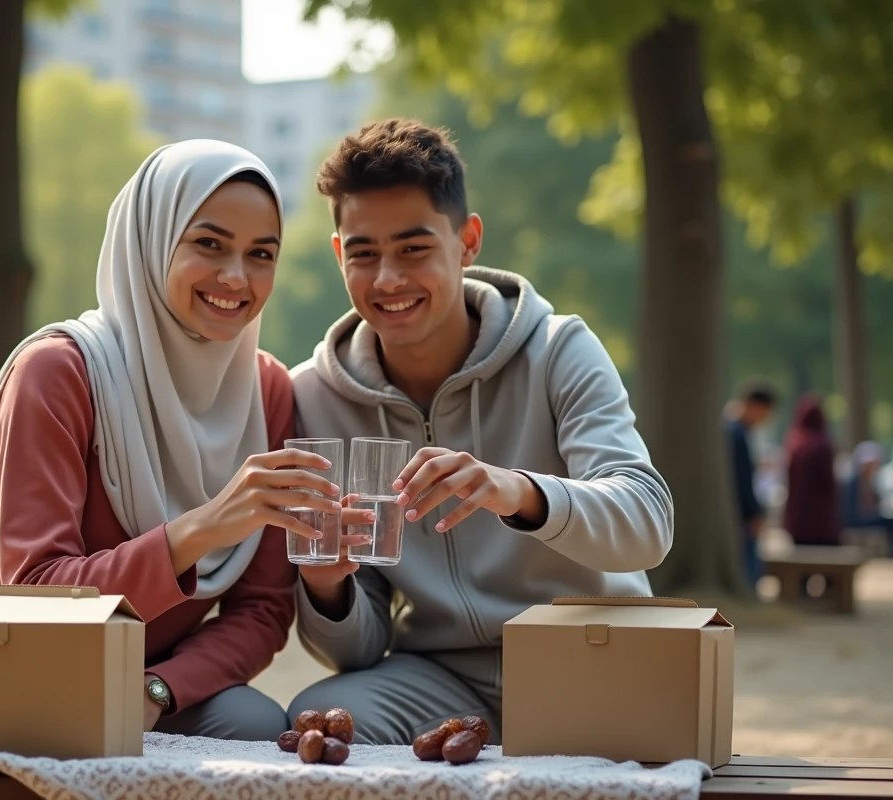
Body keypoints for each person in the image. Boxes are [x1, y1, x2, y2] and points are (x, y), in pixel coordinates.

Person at [0, 140, 342, 742]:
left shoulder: (265, 391)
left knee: (252, 723)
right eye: (209, 244)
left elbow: (263, 609)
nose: (236, 277)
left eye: (261, 253)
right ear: (150, 241)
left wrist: (155, 690)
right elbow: (35, 591)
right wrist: (199, 530)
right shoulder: (59, 372)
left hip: (138, 686)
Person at [285, 119, 674, 746]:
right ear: (339, 254)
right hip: (439, 677)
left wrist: (516, 491)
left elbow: (647, 527)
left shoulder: (557, 348)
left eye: (414, 249)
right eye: (364, 252)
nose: (387, 278)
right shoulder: (313, 395)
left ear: (467, 242)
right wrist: (328, 588)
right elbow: (357, 651)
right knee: (324, 716)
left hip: (588, 650)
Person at [724, 381, 779, 586]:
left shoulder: (733, 430)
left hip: (738, 512)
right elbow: (740, 479)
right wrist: (753, 513)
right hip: (740, 514)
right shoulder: (736, 434)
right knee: (749, 565)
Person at [783, 393, 840, 547]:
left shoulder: (793, 445)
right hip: (821, 523)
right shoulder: (822, 445)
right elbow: (828, 484)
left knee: (800, 569)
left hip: (797, 522)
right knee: (830, 567)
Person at [841, 441, 893, 538]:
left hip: (865, 519)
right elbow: (853, 511)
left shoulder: (871, 481)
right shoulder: (853, 483)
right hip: (854, 521)